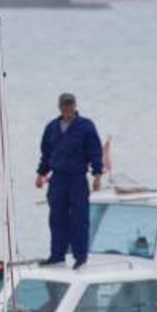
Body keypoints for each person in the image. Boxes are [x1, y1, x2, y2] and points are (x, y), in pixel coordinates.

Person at [35, 93, 103, 269]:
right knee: (57, 218)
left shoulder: (86, 126)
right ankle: (57, 255)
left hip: (77, 178)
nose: (68, 109)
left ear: (75, 106)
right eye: (65, 105)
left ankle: (80, 256)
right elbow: (46, 154)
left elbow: (95, 152)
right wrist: (41, 174)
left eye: (70, 105)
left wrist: (97, 175)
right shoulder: (52, 127)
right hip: (58, 179)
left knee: (79, 218)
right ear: (60, 107)